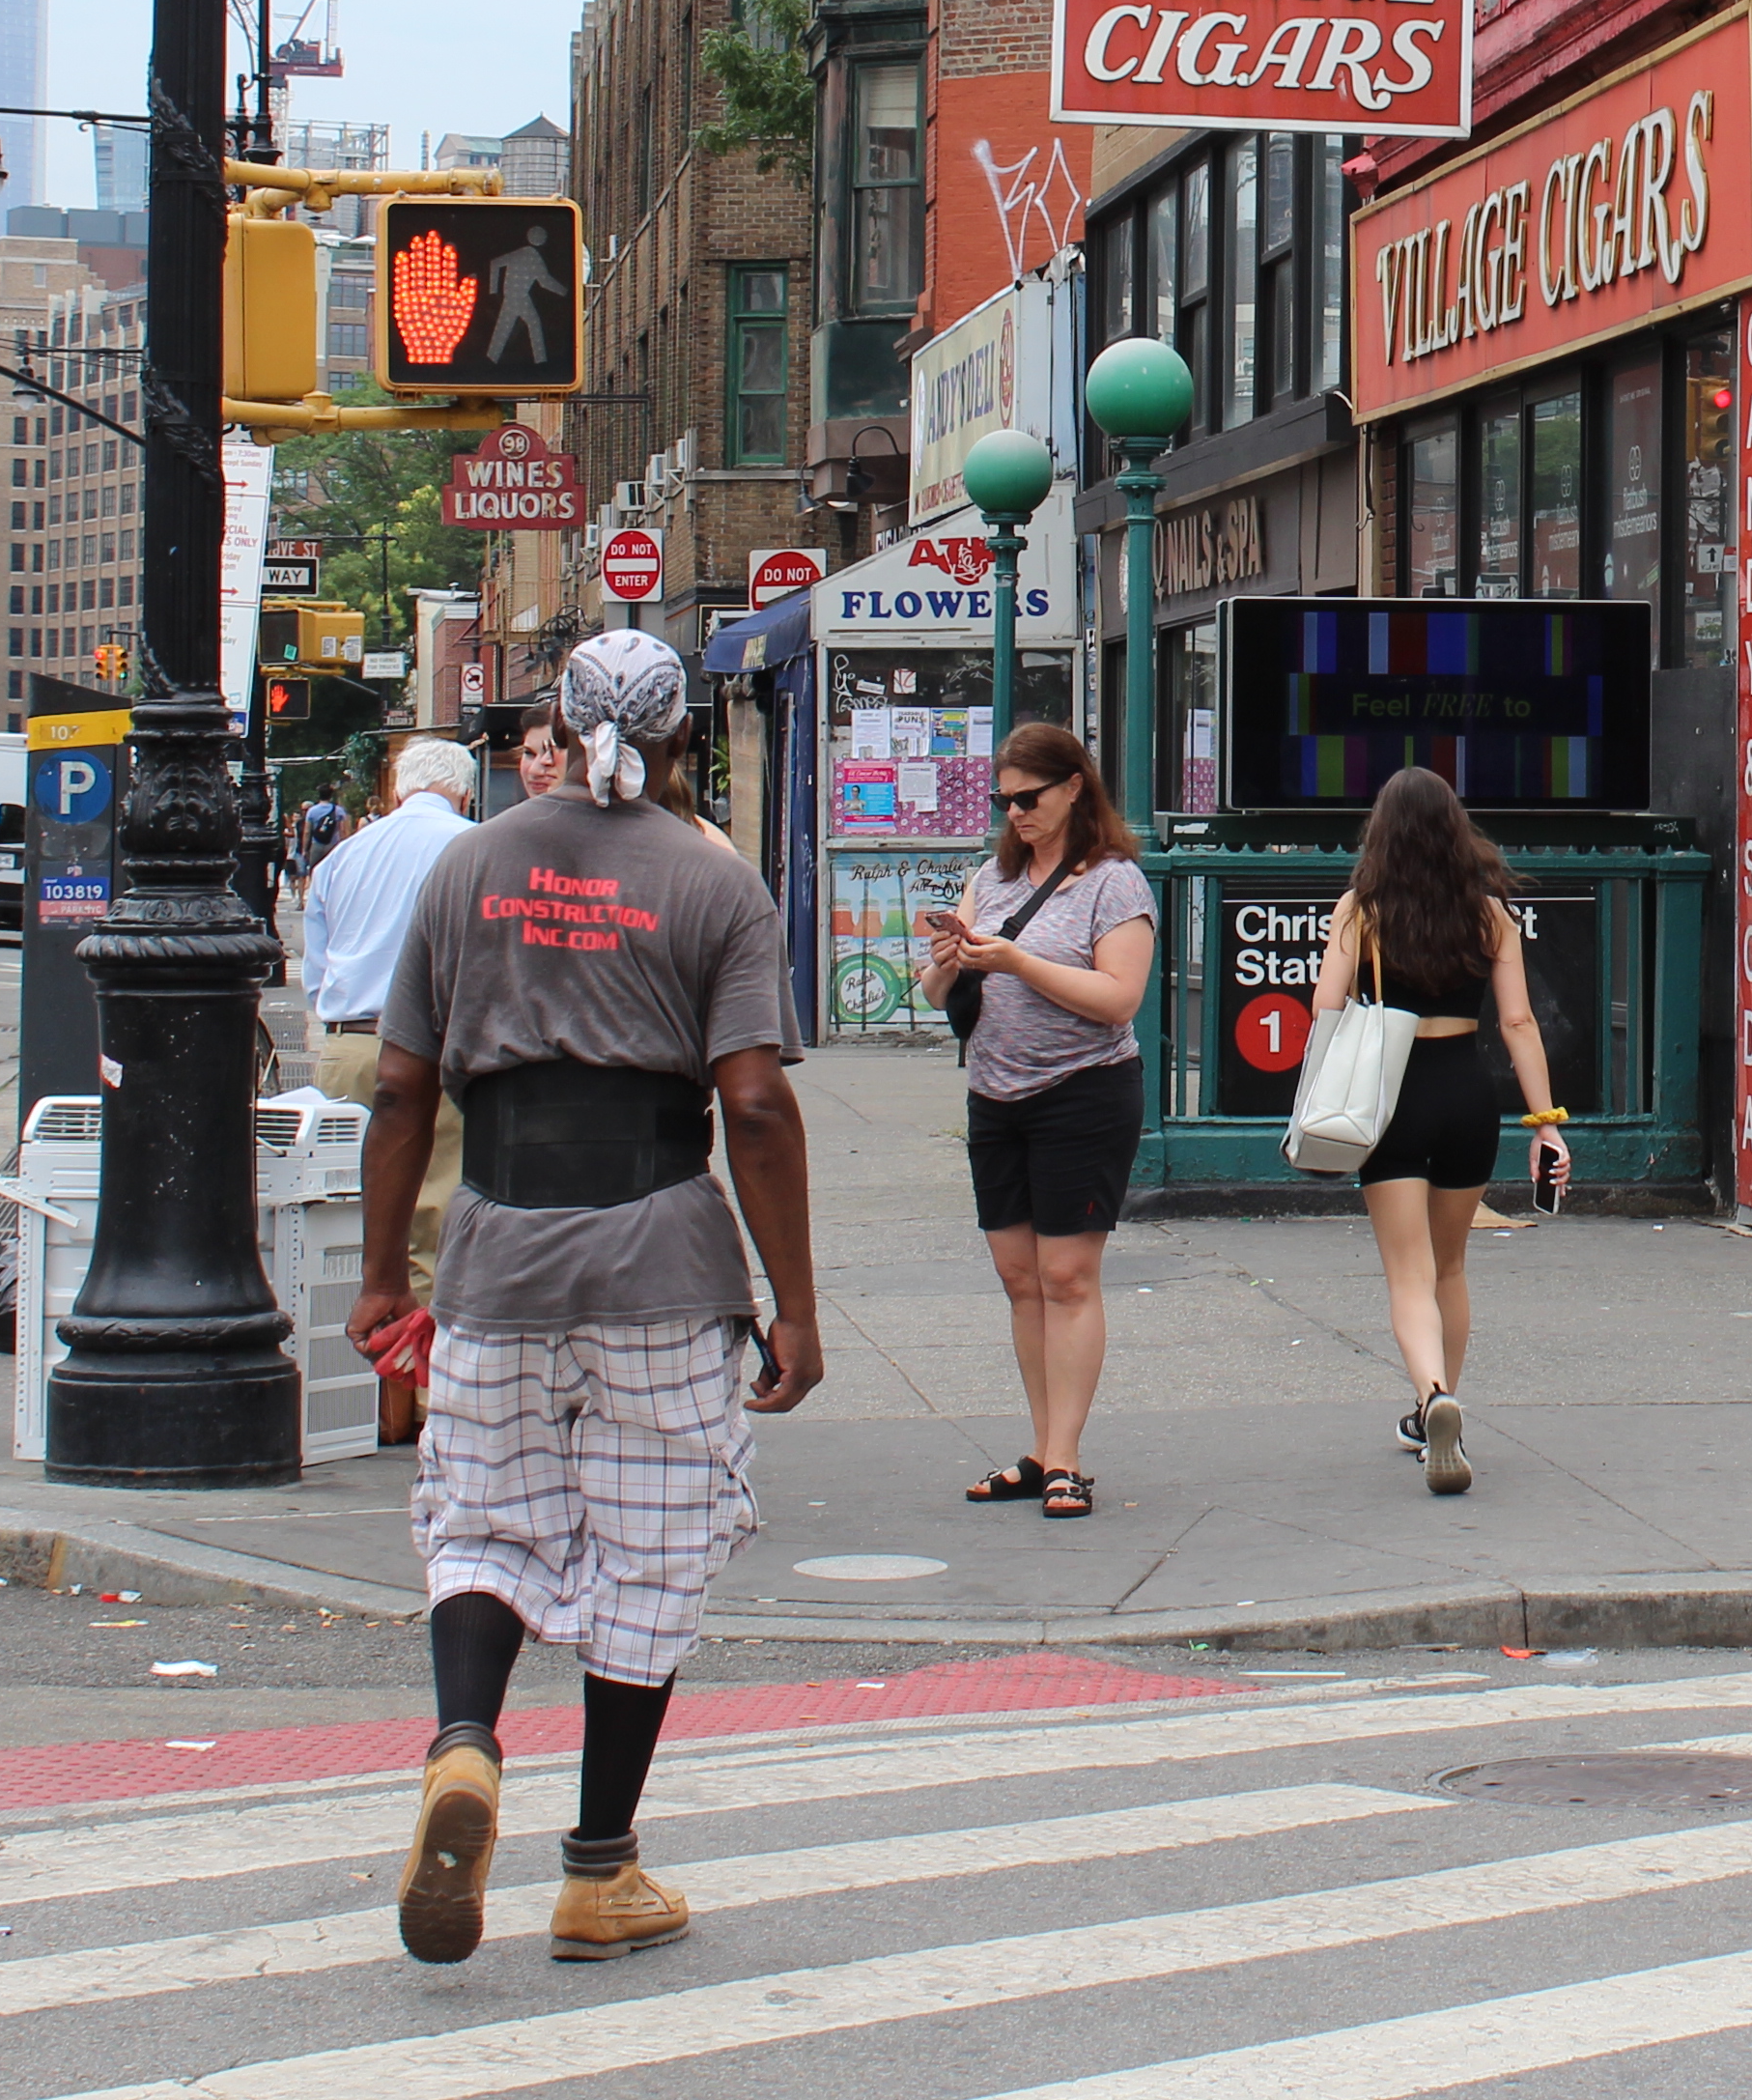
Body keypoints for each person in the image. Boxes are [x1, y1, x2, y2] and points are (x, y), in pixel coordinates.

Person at [356, 630, 821, 1970]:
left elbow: (400, 1088)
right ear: (683, 738)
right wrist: (793, 1305)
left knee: (484, 1518)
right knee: (649, 1549)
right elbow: (753, 1102)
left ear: (553, 722)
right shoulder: (713, 883)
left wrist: (388, 1273)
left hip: (497, 1253)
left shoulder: (468, 868)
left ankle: (464, 1751)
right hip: (661, 1261)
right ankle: (599, 1870)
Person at [916, 724, 1150, 1520]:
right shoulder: (994, 876)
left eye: (1030, 798)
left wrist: (1017, 962)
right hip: (997, 1094)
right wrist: (949, 960)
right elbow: (934, 995)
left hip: (1082, 1092)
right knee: (1021, 1280)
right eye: (1003, 800)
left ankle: (1069, 1461)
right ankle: (1042, 1447)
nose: (1015, 814)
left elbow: (1118, 1000)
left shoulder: (1113, 883)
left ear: (1075, 787)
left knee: (1067, 1276)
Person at [1310, 767, 1564, 1497]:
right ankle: (1440, 1404)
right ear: (1456, 830)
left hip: (1390, 1097)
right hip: (1465, 1094)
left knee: (1407, 1272)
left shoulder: (1362, 909)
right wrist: (1546, 1125)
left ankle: (1430, 1399)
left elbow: (1327, 1005)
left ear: (1381, 834)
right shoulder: (1489, 915)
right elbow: (1517, 1022)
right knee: (1450, 1267)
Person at [305, 736, 476, 1446]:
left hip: (348, 1044)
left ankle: (357, 1399)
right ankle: (427, 1396)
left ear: (399, 790)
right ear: (463, 793)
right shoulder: (474, 848)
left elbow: (317, 973)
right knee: (432, 1220)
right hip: (434, 1048)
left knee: (349, 1220)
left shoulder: (343, 857)